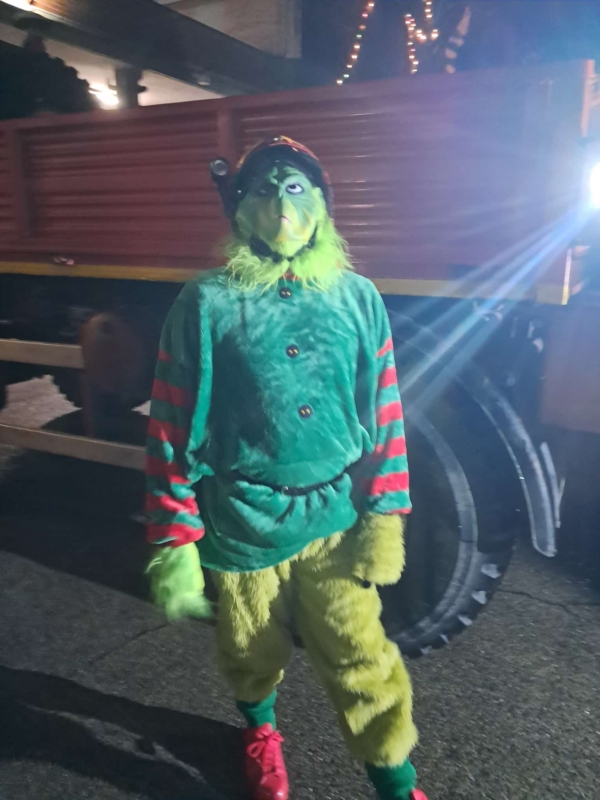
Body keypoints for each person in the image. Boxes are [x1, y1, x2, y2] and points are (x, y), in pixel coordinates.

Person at [145, 136, 428, 800]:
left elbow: (385, 411)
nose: (280, 202)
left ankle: (396, 783)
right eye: (263, 189)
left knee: (360, 653)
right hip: (243, 520)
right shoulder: (208, 302)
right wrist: (175, 536)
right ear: (239, 207)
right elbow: (172, 422)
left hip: (334, 516)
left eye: (296, 187)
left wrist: (385, 513)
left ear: (322, 204)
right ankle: (260, 730)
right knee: (249, 646)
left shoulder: (358, 297)